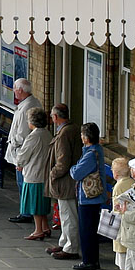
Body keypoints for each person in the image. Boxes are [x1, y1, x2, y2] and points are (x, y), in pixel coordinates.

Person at [68, 122, 111, 270]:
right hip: (94, 197)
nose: (80, 137)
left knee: (86, 230)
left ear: (86, 138)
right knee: (90, 229)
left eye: (82, 135)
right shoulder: (94, 150)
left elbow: (76, 173)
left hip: (88, 198)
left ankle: (89, 261)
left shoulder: (90, 154)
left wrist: (73, 167)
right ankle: (91, 259)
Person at [46, 104, 81, 261]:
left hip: (65, 181)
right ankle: (64, 242)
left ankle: (71, 248)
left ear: (55, 117)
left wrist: (53, 174)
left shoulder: (64, 134)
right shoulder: (72, 129)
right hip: (69, 180)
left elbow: (63, 161)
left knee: (68, 216)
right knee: (65, 213)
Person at [5, 79, 42, 224]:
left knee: (23, 183)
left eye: (14, 88)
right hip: (23, 150)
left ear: (20, 90)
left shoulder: (28, 106)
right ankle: (26, 210)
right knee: (23, 183)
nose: (14, 91)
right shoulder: (29, 103)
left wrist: (12, 143)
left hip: (22, 151)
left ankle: (26, 212)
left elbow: (22, 134)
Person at [15, 107, 54, 240]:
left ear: (33, 121)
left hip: (34, 174)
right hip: (45, 173)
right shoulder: (48, 134)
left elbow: (23, 154)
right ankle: (45, 227)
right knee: (42, 203)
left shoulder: (33, 136)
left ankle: (38, 230)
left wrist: (19, 164)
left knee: (35, 204)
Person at [108, 157, 135, 270]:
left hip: (120, 226)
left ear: (115, 174)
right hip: (130, 226)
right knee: (126, 257)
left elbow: (117, 208)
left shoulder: (118, 186)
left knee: (123, 259)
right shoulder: (132, 182)